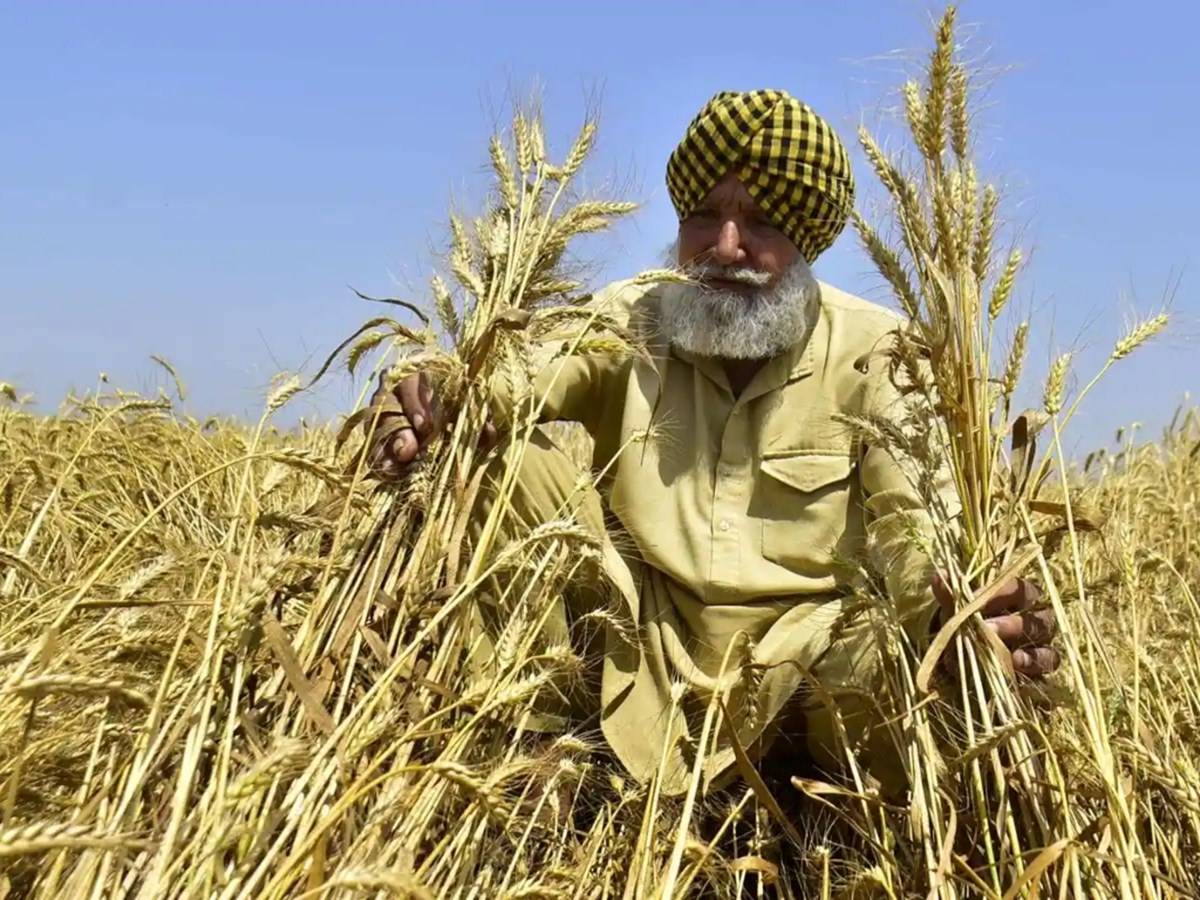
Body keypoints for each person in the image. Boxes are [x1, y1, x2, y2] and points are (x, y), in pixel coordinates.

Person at [365, 90, 1058, 794]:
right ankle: (542, 759)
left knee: (898, 656)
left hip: (804, 671)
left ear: (807, 239)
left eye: (760, 222)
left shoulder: (879, 354)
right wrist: (437, 394)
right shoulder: (629, 317)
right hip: (639, 645)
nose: (726, 248)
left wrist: (954, 612)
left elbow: (916, 530)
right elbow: (510, 375)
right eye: (704, 217)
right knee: (490, 462)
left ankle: (823, 813)